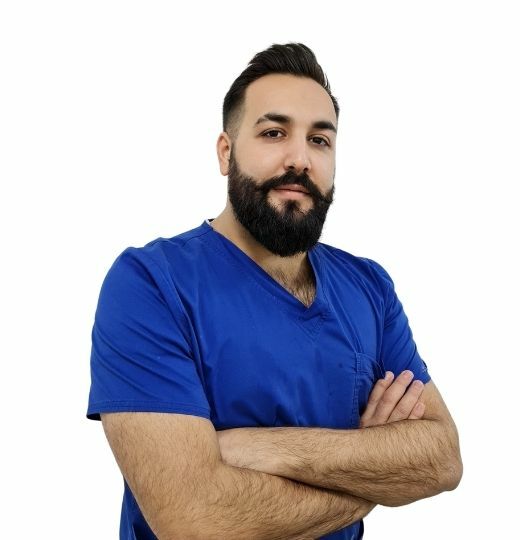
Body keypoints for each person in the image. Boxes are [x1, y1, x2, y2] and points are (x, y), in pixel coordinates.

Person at [87, 42, 462, 540]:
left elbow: (442, 459)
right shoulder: (151, 283)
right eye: (273, 133)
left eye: (320, 140)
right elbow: (194, 521)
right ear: (226, 153)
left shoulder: (369, 288)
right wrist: (378, 475)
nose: (299, 158)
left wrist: (260, 448)